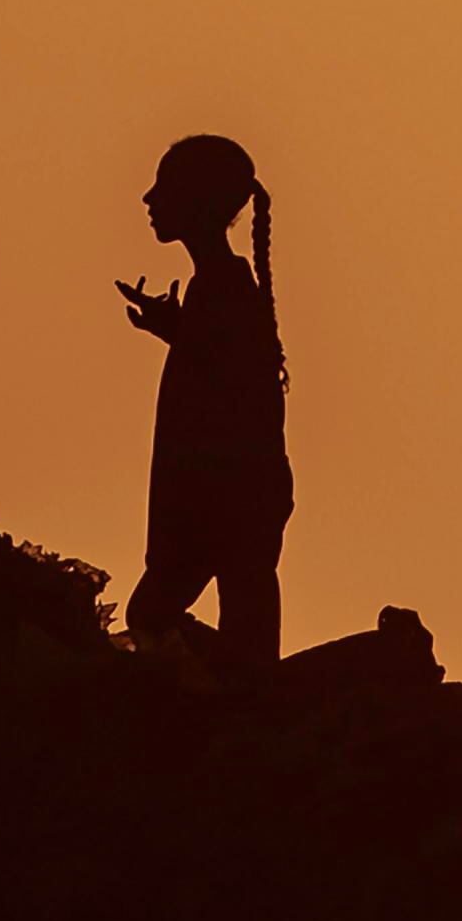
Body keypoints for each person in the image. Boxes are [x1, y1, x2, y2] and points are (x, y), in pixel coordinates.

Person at [120, 134, 292, 666]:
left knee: (159, 620)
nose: (149, 200)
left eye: (164, 187)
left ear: (197, 201)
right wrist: (178, 331)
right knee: (225, 635)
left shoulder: (225, 292)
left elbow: (237, 393)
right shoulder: (219, 290)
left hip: (228, 500)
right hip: (229, 500)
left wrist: (183, 334)